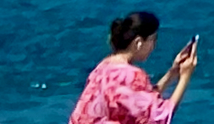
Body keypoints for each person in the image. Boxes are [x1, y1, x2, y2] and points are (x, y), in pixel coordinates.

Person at [69, 9, 198, 124]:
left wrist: (172, 73)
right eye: (153, 40)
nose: (154, 46)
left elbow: (140, 102)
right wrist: (185, 76)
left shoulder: (103, 68)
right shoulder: (131, 75)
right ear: (139, 43)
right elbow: (159, 117)